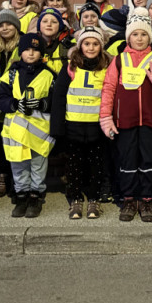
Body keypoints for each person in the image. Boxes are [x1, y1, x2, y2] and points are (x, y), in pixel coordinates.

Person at [99, 8, 152, 222]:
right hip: (125, 123)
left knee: (150, 161)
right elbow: (108, 89)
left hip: (151, 123)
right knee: (127, 161)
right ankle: (129, 199)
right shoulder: (118, 61)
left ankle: (147, 200)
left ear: (149, 37)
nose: (139, 38)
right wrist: (106, 117)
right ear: (128, 37)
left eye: (143, 34)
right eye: (135, 34)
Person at [0, 33, 57, 218]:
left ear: (41, 53)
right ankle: (21, 196)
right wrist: (14, 104)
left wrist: (42, 104)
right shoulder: (11, 74)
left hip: (39, 132)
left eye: (35, 50)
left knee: (38, 166)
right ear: (20, 52)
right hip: (16, 132)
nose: (31, 53)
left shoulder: (49, 74)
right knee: (19, 166)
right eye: (26, 49)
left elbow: (55, 99)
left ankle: (35, 197)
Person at [51, 26, 110, 219]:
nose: (91, 48)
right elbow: (59, 96)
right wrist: (57, 127)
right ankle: (75, 198)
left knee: (96, 164)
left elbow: (110, 94)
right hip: (73, 125)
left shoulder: (106, 67)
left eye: (95, 44)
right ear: (80, 46)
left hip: (97, 126)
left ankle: (94, 198)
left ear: (101, 46)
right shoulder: (70, 67)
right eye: (87, 43)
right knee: (74, 165)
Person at [0, 9, 22, 200]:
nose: (5, 28)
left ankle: (18, 180)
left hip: (16, 103)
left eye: (9, 24)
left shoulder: (23, 47)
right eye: (1, 25)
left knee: (17, 142)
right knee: (1, 143)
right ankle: (3, 176)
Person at [35, 7, 74, 75]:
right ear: (39, 25)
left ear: (60, 26)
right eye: (45, 21)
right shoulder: (31, 44)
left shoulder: (70, 44)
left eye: (54, 22)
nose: (49, 24)